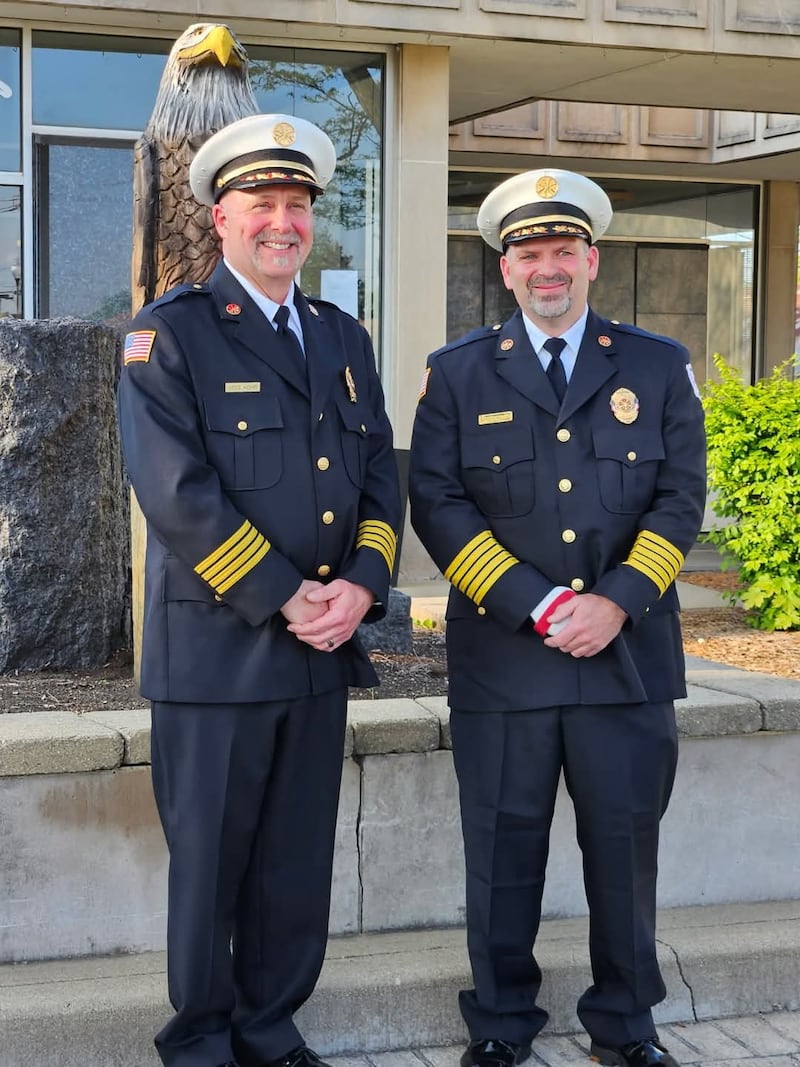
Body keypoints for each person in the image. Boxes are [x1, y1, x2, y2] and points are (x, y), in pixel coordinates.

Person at [117, 113, 401, 1067]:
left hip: (322, 652)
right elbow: (177, 493)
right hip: (217, 653)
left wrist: (361, 586)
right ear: (221, 217)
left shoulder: (342, 337)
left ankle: (270, 1030)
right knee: (210, 871)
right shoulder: (171, 337)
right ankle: (198, 1042)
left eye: (296, 205)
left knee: (291, 867)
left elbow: (377, 479)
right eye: (261, 205)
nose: (282, 222)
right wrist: (287, 594)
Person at [409, 169, 706, 1067]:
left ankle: (627, 1025)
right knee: (502, 860)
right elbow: (438, 501)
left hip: (626, 660)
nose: (549, 269)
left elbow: (681, 498)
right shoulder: (457, 373)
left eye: (563, 252)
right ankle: (501, 1027)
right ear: (506, 269)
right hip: (508, 661)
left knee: (624, 855)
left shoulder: (654, 365)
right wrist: (541, 603)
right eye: (529, 254)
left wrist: (614, 602)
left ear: (593, 259)